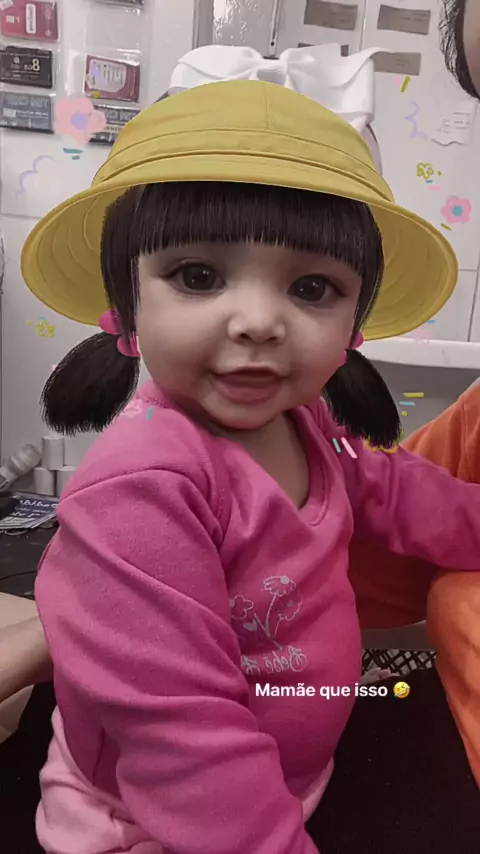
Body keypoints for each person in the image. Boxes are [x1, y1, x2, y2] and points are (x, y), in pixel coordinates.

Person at [18, 43, 480, 853]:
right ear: (127, 302)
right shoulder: (142, 492)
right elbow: (178, 739)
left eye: (312, 288)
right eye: (199, 276)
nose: (260, 321)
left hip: (294, 781)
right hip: (155, 820)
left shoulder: (311, 427)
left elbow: (407, 494)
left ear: (354, 324)